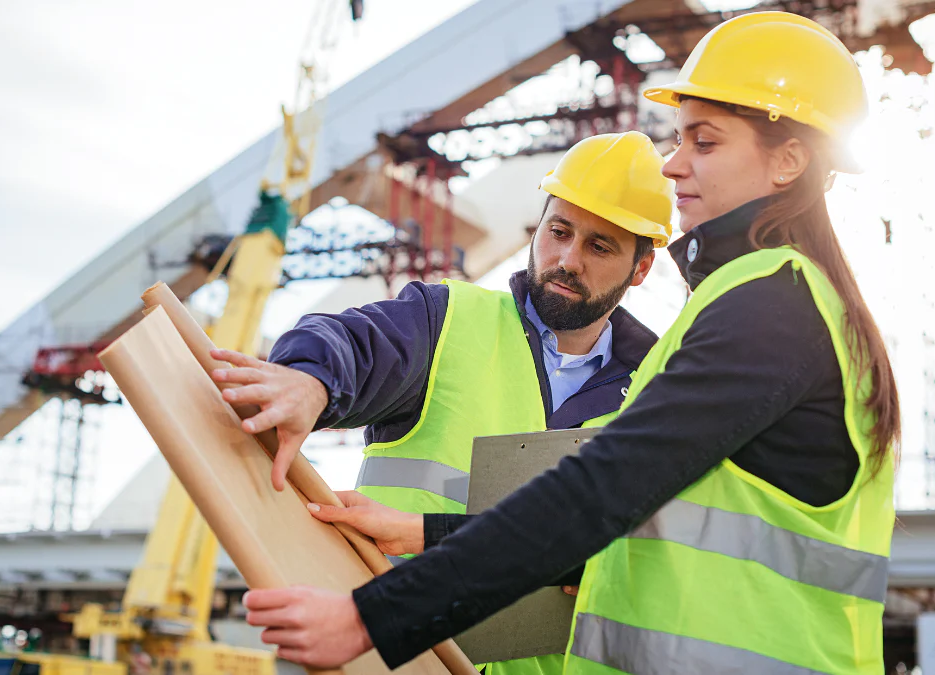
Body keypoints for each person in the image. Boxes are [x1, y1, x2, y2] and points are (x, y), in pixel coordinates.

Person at [238, 12, 901, 675]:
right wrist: (418, 528)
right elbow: (633, 525)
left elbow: (601, 491)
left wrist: (369, 618)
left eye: (704, 141)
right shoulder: (784, 304)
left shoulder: (769, 308)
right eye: (679, 139)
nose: (675, 165)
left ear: (788, 160)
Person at [210, 131, 673, 675]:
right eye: (559, 231)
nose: (567, 260)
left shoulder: (660, 389)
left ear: (641, 269)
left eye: (599, 247)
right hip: (401, 660)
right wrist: (310, 382)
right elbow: (352, 345)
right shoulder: (446, 320)